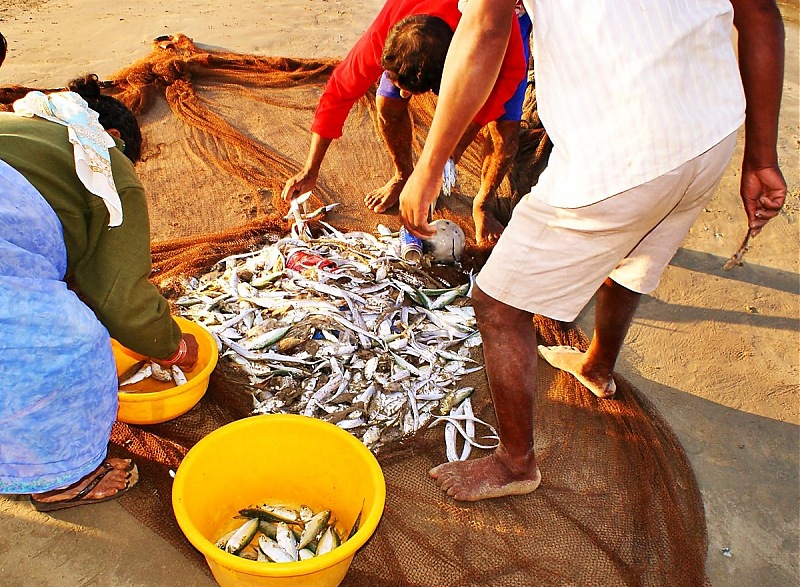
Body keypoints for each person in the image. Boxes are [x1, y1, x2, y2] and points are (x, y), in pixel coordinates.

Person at [399, 0, 786, 501]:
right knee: (636, 247)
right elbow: (759, 14)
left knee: (498, 305)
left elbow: (484, 33)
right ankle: (597, 368)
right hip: (709, 128)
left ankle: (515, 464)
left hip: (622, 150)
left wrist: (429, 166)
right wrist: (761, 156)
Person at [0, 75, 199, 511]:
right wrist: (171, 347)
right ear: (114, 138)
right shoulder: (106, 161)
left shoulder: (22, 124)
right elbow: (121, 299)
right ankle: (62, 482)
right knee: (72, 346)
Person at [282, 0, 529, 245]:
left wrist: (448, 155)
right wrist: (310, 169)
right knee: (387, 102)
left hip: (506, 14)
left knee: (504, 129)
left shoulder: (502, 37)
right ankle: (402, 174)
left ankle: (483, 203)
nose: (404, 94)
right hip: (420, 25)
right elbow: (339, 91)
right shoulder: (392, 20)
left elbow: (499, 92)